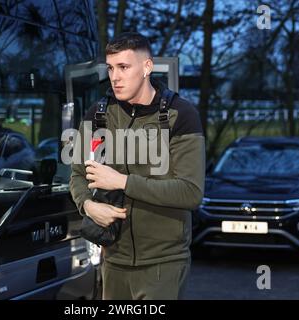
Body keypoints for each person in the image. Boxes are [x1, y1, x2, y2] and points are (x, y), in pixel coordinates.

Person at [70, 32, 205, 299]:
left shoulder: (181, 114)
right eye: (110, 68)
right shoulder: (98, 114)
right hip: (113, 259)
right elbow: (77, 173)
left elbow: (191, 192)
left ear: (147, 67)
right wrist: (88, 205)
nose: (115, 77)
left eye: (124, 67)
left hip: (163, 264)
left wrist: (121, 182)